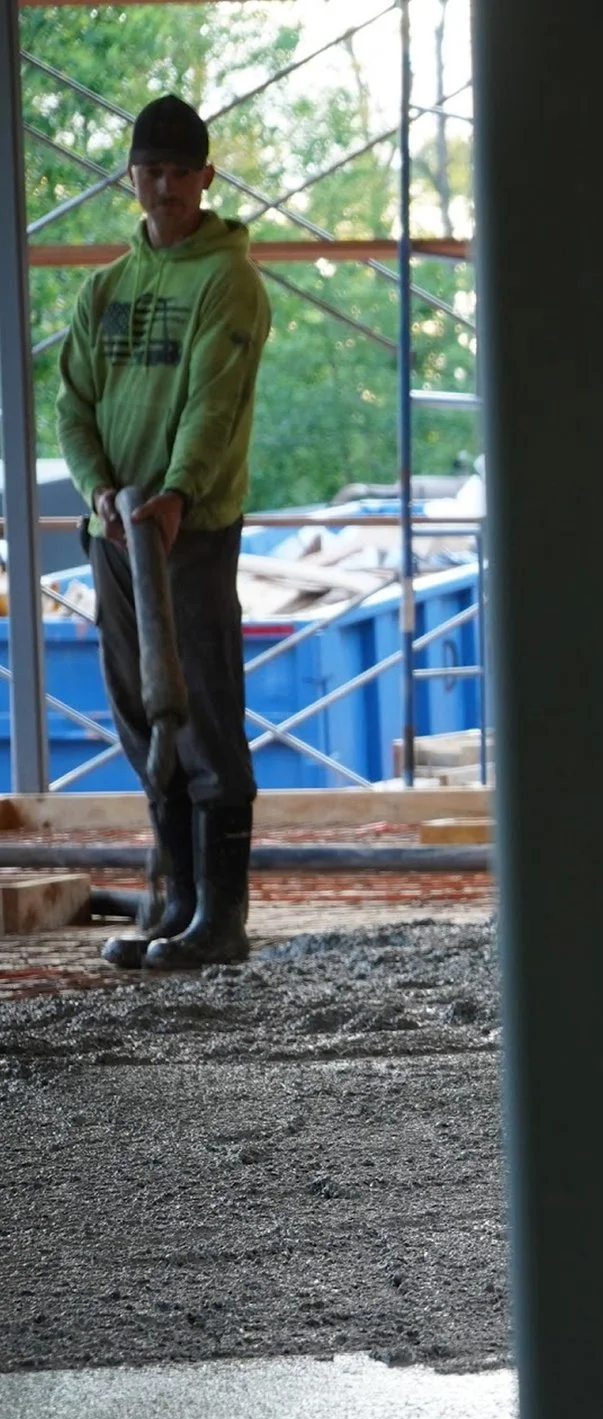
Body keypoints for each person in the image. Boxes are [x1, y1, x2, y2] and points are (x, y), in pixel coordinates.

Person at [59, 96, 271, 970]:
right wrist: (100, 491)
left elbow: (212, 402)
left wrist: (178, 492)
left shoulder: (228, 280)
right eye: (153, 170)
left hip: (191, 530)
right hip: (116, 531)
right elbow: (73, 406)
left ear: (207, 178)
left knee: (203, 710)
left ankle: (220, 916)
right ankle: (177, 901)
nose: (167, 186)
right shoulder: (104, 289)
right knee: (141, 709)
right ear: (131, 177)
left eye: (183, 171)